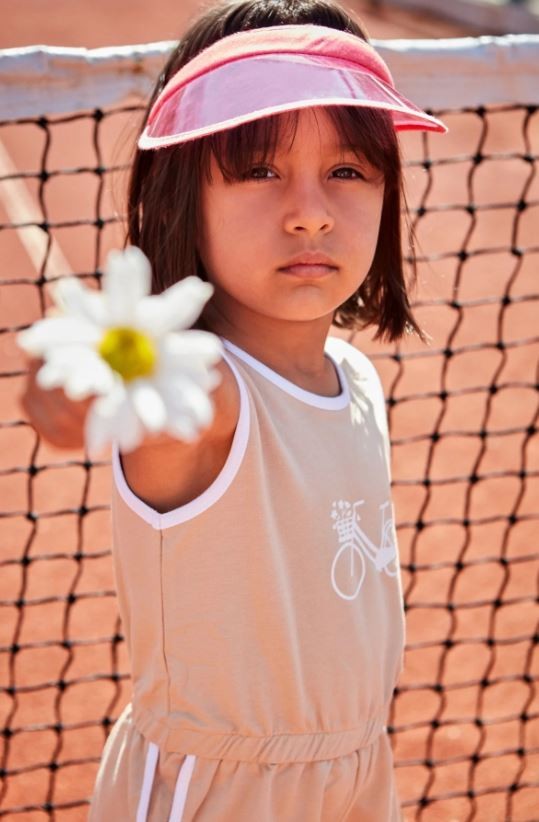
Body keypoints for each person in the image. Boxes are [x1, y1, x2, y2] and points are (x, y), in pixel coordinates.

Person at [19, 1, 446, 819]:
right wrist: (78, 387)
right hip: (215, 793)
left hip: (356, 774)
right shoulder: (205, 391)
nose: (310, 210)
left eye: (348, 170)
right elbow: (145, 404)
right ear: (183, 196)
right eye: (259, 170)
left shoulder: (355, 377)